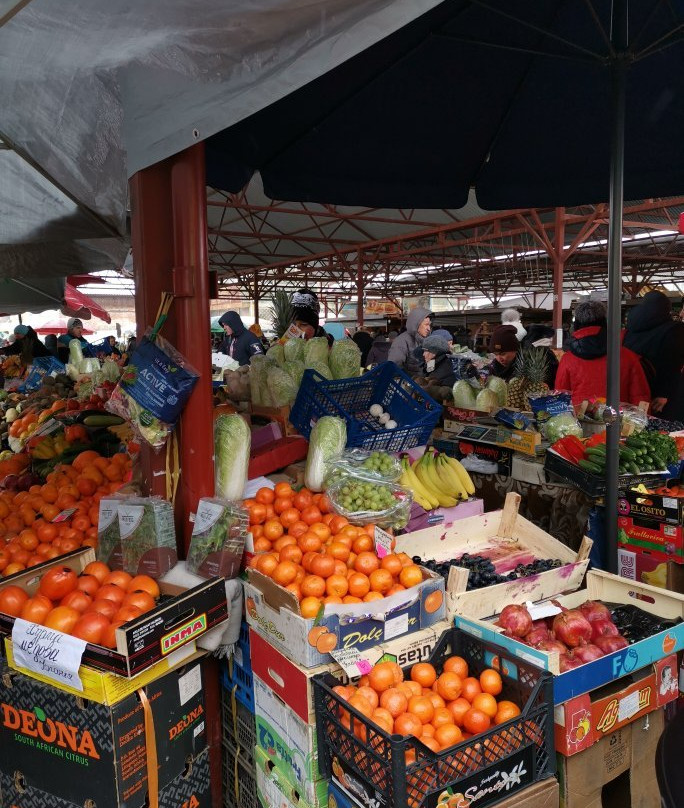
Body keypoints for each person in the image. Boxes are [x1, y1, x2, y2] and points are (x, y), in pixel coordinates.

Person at [555, 300, 651, 407]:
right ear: (605, 323)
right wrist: (641, 421)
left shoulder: (568, 359)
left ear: (576, 324)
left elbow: (560, 396)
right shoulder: (628, 357)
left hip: (578, 420)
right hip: (618, 420)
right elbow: (640, 396)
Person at [623, 291, 684, 420]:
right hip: (660, 396)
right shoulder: (673, 330)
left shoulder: (630, 330)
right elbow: (671, 362)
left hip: (634, 390)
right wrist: (664, 393)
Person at [488, 324, 558, 385]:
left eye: (503, 354)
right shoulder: (494, 367)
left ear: (515, 349)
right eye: (495, 354)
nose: (499, 358)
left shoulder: (528, 364)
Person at [388, 306, 432, 376]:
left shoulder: (427, 340)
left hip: (424, 383)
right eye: (426, 325)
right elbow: (394, 367)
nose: (429, 328)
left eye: (429, 325)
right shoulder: (401, 341)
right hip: (410, 384)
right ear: (416, 324)